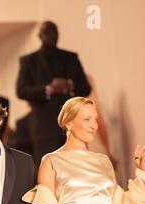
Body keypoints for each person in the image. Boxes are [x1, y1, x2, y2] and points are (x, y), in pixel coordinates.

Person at [16, 21, 91, 165]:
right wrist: (49, 89)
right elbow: (21, 90)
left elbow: (85, 88)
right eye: (47, 32)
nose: (52, 36)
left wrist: (69, 86)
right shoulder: (29, 61)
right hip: (43, 126)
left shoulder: (71, 58)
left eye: (55, 32)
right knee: (49, 168)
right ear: (40, 36)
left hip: (72, 123)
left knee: (77, 166)